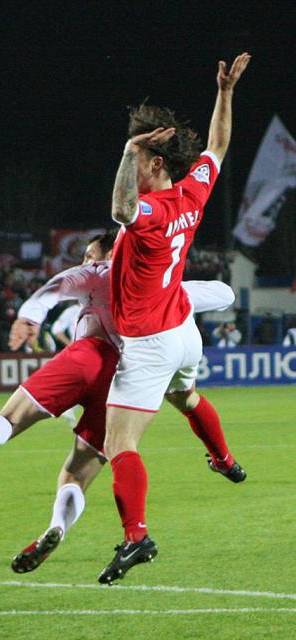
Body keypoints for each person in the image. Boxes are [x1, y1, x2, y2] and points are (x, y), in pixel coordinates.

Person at [0, 232, 240, 574]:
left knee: (12, 416)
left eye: (89, 254)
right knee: (77, 473)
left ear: (110, 253)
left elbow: (50, 290)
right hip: (122, 383)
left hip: (86, 357)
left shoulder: (95, 273)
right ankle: (57, 527)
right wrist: (176, 290)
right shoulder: (159, 284)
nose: (85, 261)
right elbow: (224, 293)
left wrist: (29, 318)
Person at [98, 52, 251, 585]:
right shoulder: (192, 193)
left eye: (140, 160)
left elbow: (120, 210)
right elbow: (218, 146)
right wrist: (225, 93)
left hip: (149, 340)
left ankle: (136, 536)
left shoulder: (152, 213)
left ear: (156, 164)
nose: (132, 167)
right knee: (186, 398)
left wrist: (128, 151)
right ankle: (224, 459)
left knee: (119, 445)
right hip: (183, 330)